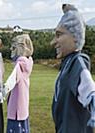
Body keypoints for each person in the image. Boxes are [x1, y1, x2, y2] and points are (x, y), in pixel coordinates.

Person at [51, 4, 95, 133]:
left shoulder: (78, 61)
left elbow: (89, 89)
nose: (53, 42)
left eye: (59, 35)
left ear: (75, 36)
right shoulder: (67, 63)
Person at [1, 34, 33, 133]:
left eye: (14, 47)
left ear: (20, 48)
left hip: (16, 108)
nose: (11, 49)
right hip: (23, 104)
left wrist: (3, 91)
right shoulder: (28, 62)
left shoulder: (19, 65)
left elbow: (11, 80)